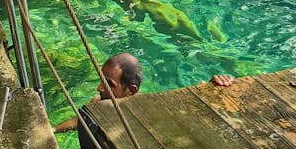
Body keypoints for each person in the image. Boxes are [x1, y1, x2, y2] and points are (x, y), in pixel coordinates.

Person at [53, 52, 234, 132]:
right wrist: (52, 130)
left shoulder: (151, 110)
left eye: (108, 84)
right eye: (101, 80)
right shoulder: (99, 102)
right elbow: (79, 121)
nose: (99, 88)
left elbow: (189, 114)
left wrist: (210, 89)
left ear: (131, 91)